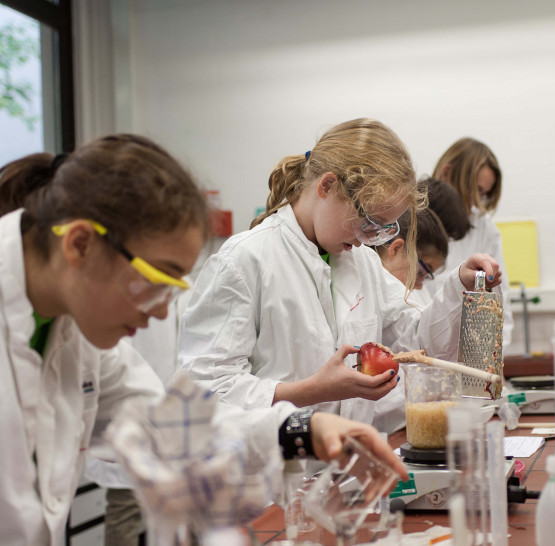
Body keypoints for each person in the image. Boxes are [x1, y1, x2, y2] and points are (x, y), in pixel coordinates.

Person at [0, 134, 407, 545]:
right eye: (156, 281)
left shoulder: (77, 331)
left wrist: (302, 430)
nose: (162, 313)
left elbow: (172, 425)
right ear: (80, 244)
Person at [177, 118, 502, 431]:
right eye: (368, 221)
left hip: (347, 468)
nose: (367, 238)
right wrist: (311, 391)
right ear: (328, 185)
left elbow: (415, 345)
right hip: (278, 473)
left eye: (382, 229)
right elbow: (203, 392)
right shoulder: (246, 260)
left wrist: (458, 283)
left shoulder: (361, 263)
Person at [425, 137, 515, 350]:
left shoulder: (483, 228)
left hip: (465, 356)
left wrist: (496, 359)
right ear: (446, 173)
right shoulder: (409, 220)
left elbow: (500, 303)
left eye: (483, 195)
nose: (476, 202)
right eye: (474, 190)